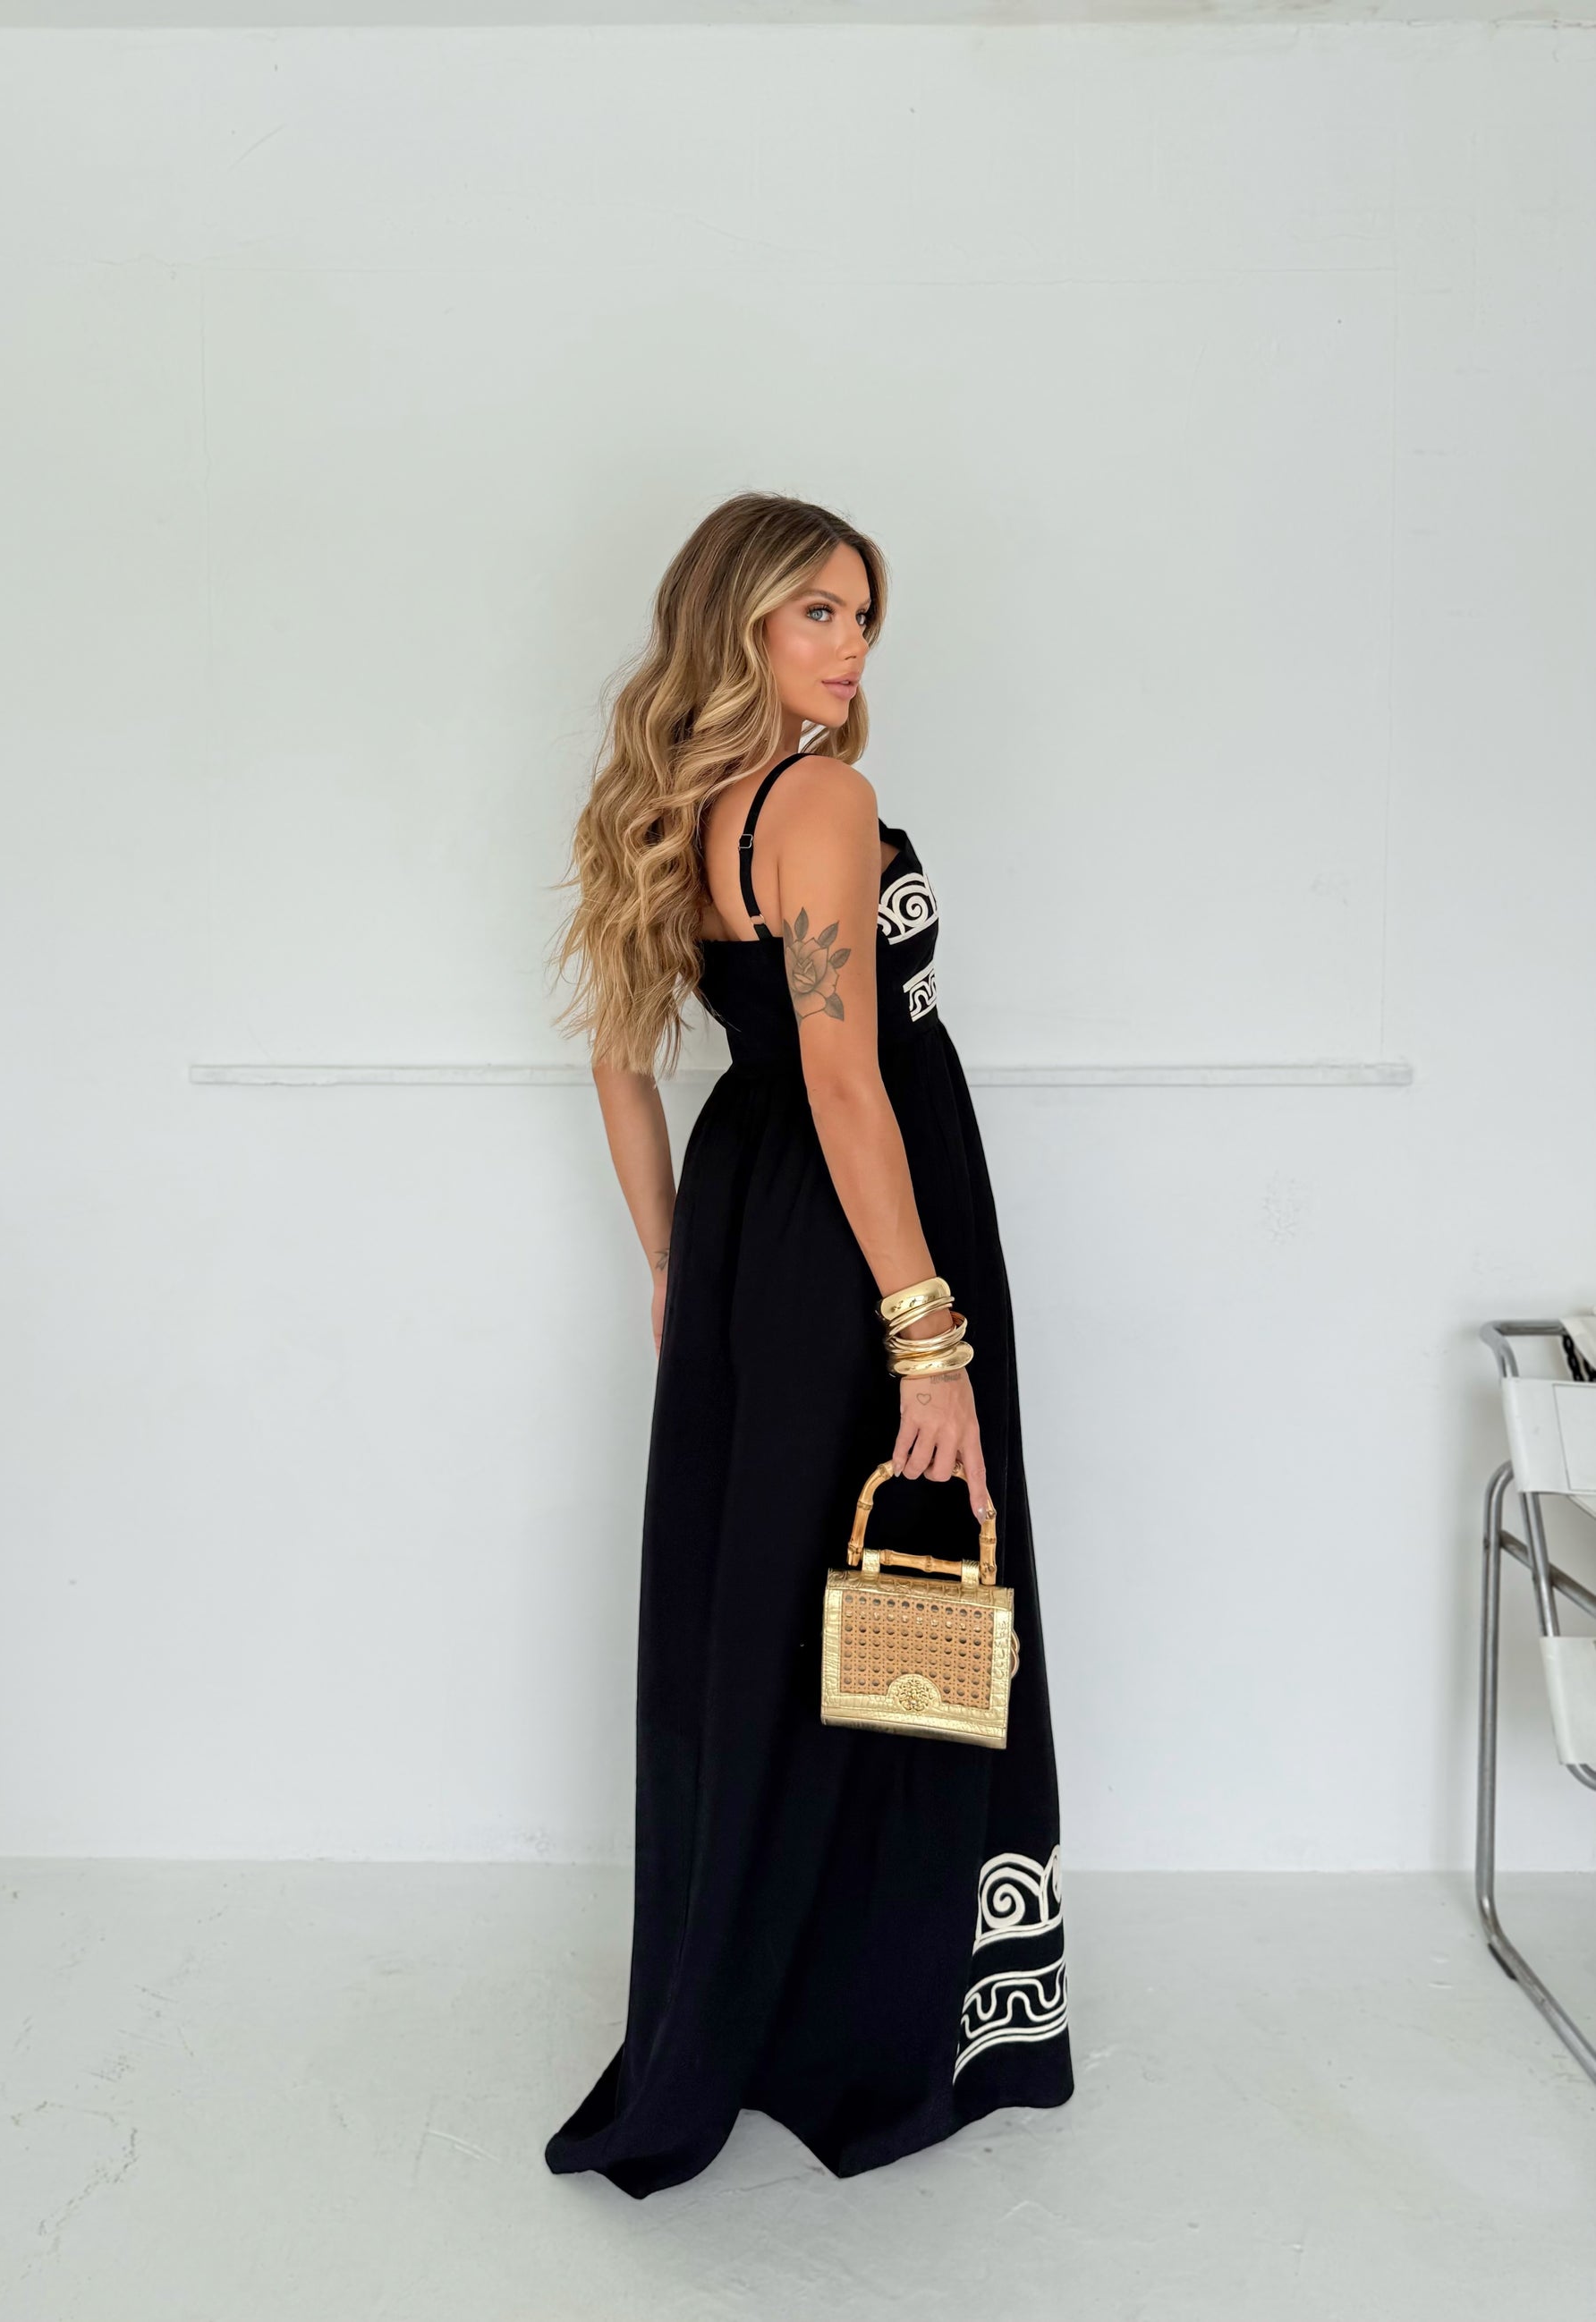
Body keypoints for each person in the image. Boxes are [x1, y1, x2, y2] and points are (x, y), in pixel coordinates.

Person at [543, 491, 1073, 2196]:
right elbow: (848, 1081)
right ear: (741, 624)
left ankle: (763, 2003)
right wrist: (926, 1335)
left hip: (750, 1229)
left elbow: (620, 1060)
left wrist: (672, 1264)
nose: (849, 649)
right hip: (860, 1235)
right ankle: (878, 2019)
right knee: (911, 1588)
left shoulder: (668, 803)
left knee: (785, 1605)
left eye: (860, 616)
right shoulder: (818, 797)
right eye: (816, 615)